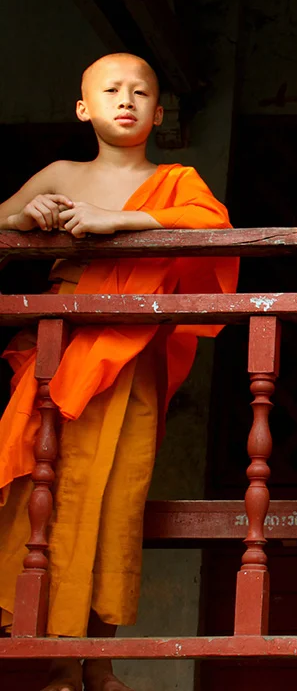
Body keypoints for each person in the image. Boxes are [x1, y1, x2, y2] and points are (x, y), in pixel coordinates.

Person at [0, 53, 238, 691]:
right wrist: (21, 220)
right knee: (42, 501)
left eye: (141, 93)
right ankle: (52, 661)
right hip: (58, 358)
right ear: (84, 108)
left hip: (129, 364)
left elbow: (213, 229)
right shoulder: (60, 175)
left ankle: (96, 662)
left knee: (113, 504)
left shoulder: (176, 180)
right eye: (111, 90)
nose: (126, 100)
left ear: (159, 114)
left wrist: (122, 221)